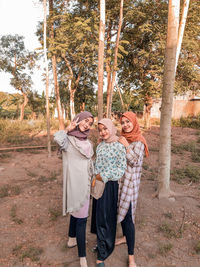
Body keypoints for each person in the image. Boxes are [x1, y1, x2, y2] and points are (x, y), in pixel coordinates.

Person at [54, 111, 94, 267]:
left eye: (90, 123)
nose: (87, 125)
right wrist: (68, 128)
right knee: (82, 219)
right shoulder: (68, 140)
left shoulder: (88, 141)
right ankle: (82, 257)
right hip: (74, 184)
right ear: (78, 120)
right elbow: (57, 138)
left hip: (86, 183)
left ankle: (72, 239)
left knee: (78, 213)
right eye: (85, 121)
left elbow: (89, 162)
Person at [116, 111, 149, 267]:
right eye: (123, 122)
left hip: (130, 185)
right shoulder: (123, 138)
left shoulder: (139, 141)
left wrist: (126, 147)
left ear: (134, 122)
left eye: (128, 122)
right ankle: (124, 237)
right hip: (120, 183)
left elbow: (135, 162)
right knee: (120, 211)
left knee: (128, 218)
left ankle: (131, 257)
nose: (125, 125)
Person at [93, 118, 127, 267]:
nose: (103, 132)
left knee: (106, 218)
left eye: (105, 129)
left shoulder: (119, 146)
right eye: (100, 130)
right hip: (98, 185)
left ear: (111, 128)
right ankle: (103, 244)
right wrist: (95, 177)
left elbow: (121, 169)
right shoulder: (100, 146)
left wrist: (104, 176)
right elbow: (96, 165)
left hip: (110, 186)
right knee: (98, 217)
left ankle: (102, 254)